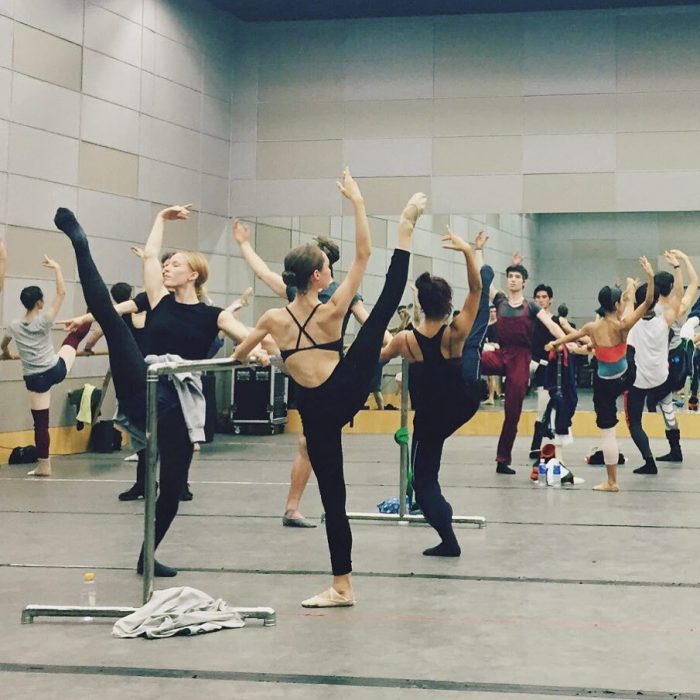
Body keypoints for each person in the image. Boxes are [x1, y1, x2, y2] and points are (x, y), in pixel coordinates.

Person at [233, 168, 423, 607]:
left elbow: (241, 354)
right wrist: (357, 202)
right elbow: (363, 254)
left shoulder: (271, 319)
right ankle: (405, 233)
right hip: (347, 387)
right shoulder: (334, 308)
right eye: (326, 268)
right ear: (318, 278)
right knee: (381, 314)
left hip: (315, 408)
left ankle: (342, 585)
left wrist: (265, 353)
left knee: (334, 497)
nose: (331, 271)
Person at [54, 204, 264, 577]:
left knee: (171, 492)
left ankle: (145, 556)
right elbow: (150, 255)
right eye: (167, 265)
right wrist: (160, 220)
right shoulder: (158, 300)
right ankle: (79, 243)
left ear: (194, 273)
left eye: (176, 264)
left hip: (178, 406)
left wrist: (260, 351)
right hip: (144, 382)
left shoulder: (214, 314)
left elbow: (250, 337)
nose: (167, 267)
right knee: (109, 317)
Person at [232, 219, 390, 527]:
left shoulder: (336, 296)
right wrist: (244, 245)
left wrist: (387, 342)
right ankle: (297, 507)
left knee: (311, 444)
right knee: (311, 445)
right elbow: (265, 274)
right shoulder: (307, 293)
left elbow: (368, 321)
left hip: (320, 376)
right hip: (318, 380)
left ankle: (298, 507)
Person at [379, 227, 481, 557]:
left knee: (423, 487)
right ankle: (444, 517)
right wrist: (468, 251)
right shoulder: (455, 333)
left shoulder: (405, 341)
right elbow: (477, 288)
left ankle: (449, 541)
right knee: (427, 473)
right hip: (464, 403)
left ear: (419, 304)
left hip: (433, 416)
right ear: (448, 304)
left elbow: (376, 358)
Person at [547, 257, 655, 492]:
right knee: (626, 349)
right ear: (616, 304)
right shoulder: (623, 325)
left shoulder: (592, 328)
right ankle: (627, 292)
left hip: (605, 383)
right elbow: (647, 302)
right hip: (627, 376)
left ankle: (612, 481)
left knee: (608, 432)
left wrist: (555, 342)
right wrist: (649, 275)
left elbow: (571, 336)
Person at [1, 257, 91, 476]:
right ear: (39, 303)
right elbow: (61, 293)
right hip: (55, 370)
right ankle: (93, 313)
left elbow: (3, 345)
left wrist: (5, 354)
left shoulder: (13, 326)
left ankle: (44, 465)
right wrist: (58, 268)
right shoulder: (45, 320)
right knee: (71, 340)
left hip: (35, 379)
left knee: (40, 424)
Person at [480, 255, 567, 474]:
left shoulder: (532, 308)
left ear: (524, 282)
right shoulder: (500, 300)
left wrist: (563, 342)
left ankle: (502, 460)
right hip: (501, 353)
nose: (512, 280)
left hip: (520, 359)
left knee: (512, 413)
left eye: (517, 277)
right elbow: (485, 280)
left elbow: (552, 325)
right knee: (471, 358)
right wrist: (477, 250)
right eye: (510, 276)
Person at [625, 252, 683, 475]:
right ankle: (675, 449)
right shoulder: (665, 320)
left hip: (639, 381)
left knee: (635, 423)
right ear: (656, 300)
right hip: (661, 378)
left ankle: (649, 461)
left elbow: (631, 302)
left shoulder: (630, 321)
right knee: (668, 411)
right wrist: (677, 268)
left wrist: (631, 287)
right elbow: (678, 295)